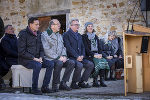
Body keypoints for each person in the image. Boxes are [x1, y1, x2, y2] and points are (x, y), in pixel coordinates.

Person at [18, 17, 54, 95]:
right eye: (36, 24)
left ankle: (45, 87)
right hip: (26, 59)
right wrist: (34, 58)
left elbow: (41, 48)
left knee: (50, 64)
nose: (38, 26)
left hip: (37, 58)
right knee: (37, 65)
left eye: (38, 24)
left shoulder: (39, 33)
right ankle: (34, 88)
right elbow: (21, 52)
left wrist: (41, 57)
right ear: (30, 24)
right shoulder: (23, 34)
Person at [41, 19, 75, 92]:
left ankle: (63, 83)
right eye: (58, 24)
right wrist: (58, 57)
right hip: (49, 58)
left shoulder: (59, 35)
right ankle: (55, 85)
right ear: (52, 26)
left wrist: (64, 56)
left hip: (60, 57)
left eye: (59, 23)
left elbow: (63, 47)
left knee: (71, 62)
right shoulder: (45, 35)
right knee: (59, 63)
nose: (59, 25)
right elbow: (46, 49)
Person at [63, 18, 94, 89]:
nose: (78, 26)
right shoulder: (66, 35)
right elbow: (68, 47)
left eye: (78, 25)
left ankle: (81, 82)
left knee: (90, 64)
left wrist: (82, 55)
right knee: (79, 65)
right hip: (71, 57)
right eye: (76, 24)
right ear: (70, 26)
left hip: (80, 57)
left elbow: (83, 47)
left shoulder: (79, 35)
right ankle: (73, 83)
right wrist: (77, 56)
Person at [82, 22, 109, 87]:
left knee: (103, 61)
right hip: (89, 55)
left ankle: (102, 80)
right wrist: (94, 55)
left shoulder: (96, 36)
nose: (90, 27)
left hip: (97, 54)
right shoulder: (84, 36)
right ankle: (95, 80)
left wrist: (99, 54)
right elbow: (86, 48)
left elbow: (99, 47)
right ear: (86, 28)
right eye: (88, 26)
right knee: (97, 62)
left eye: (91, 26)